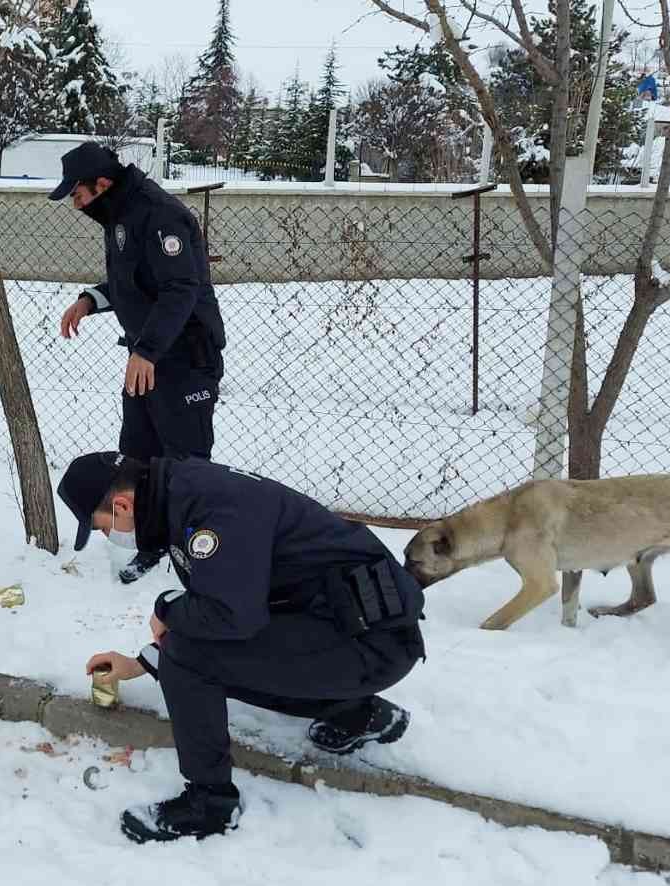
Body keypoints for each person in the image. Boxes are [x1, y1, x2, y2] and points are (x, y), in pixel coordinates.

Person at [57, 452, 426, 845]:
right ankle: (358, 713)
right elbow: (231, 603)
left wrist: (165, 606)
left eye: (100, 528)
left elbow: (230, 618)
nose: (107, 537)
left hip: (372, 643)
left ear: (121, 505)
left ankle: (209, 803)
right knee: (198, 642)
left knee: (189, 653)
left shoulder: (207, 515)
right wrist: (140, 664)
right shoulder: (180, 491)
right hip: (355, 629)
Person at [49, 142, 226, 585]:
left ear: (102, 184)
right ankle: (150, 539)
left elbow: (180, 288)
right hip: (145, 357)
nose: (75, 204)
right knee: (138, 455)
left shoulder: (158, 214)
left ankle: (197, 553)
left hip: (183, 358)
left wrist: (146, 350)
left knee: (185, 463)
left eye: (78, 194)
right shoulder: (120, 216)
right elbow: (133, 282)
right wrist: (91, 299)